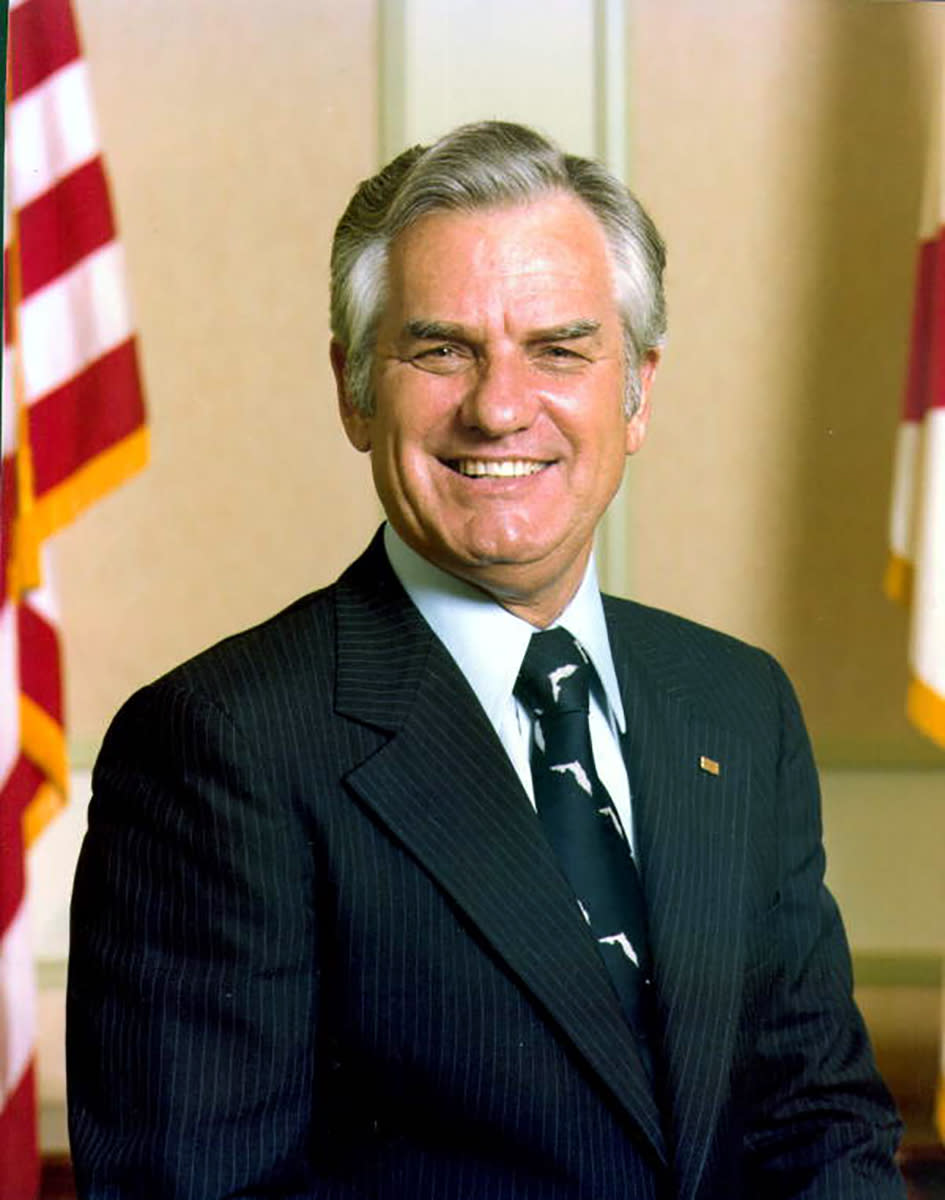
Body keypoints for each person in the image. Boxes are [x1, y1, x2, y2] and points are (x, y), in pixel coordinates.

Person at [67, 120, 905, 1199]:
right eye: (441, 348)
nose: (500, 406)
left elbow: (818, 1122)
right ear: (354, 390)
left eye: (558, 348)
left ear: (637, 390)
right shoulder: (222, 745)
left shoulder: (735, 707)